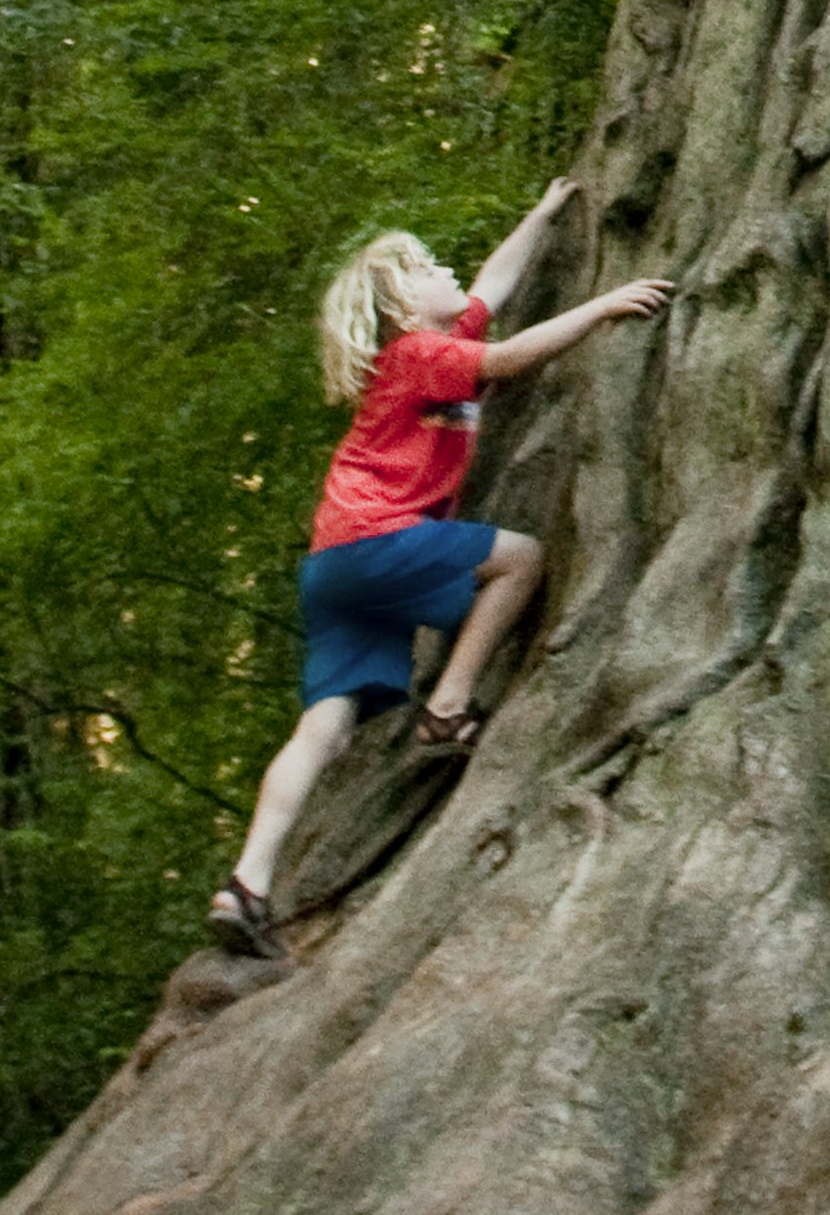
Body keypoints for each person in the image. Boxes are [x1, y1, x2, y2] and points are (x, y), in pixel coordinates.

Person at [209, 173, 670, 958]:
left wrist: (545, 209)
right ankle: (449, 706)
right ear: (399, 308)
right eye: (429, 270)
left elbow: (492, 281)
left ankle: (247, 883)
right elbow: (513, 356)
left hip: (337, 566)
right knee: (520, 559)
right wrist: (601, 306)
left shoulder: (436, 347)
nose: (448, 272)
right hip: (377, 539)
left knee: (323, 728)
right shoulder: (419, 354)